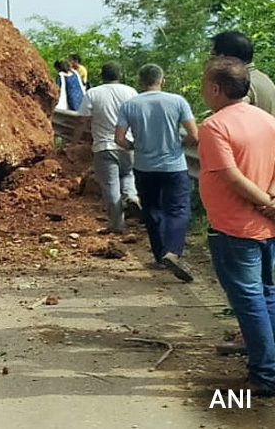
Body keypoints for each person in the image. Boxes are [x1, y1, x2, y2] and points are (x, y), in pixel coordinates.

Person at [198, 56, 275, 395]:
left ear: (216, 88)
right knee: (268, 295)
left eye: (205, 86)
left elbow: (231, 176)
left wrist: (266, 202)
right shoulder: (267, 120)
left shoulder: (215, 126)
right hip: (267, 226)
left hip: (234, 227)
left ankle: (265, 375)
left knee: (248, 300)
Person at [114, 63, 198, 282]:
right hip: (173, 166)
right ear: (163, 80)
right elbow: (194, 135)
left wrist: (134, 146)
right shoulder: (177, 101)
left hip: (144, 166)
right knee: (178, 209)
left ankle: (161, 256)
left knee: (152, 209)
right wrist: (180, 143)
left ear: (140, 82)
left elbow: (119, 139)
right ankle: (172, 252)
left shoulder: (130, 105)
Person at [78, 62, 140, 233]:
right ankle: (131, 196)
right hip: (127, 144)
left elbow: (82, 119)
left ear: (101, 75)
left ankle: (117, 225)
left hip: (104, 145)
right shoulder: (131, 92)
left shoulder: (93, 93)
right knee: (127, 174)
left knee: (110, 185)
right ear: (119, 75)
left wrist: (76, 140)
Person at [211, 31, 275, 116]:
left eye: (213, 56)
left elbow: (232, 116)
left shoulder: (241, 83)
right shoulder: (263, 78)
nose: (211, 63)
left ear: (224, 58)